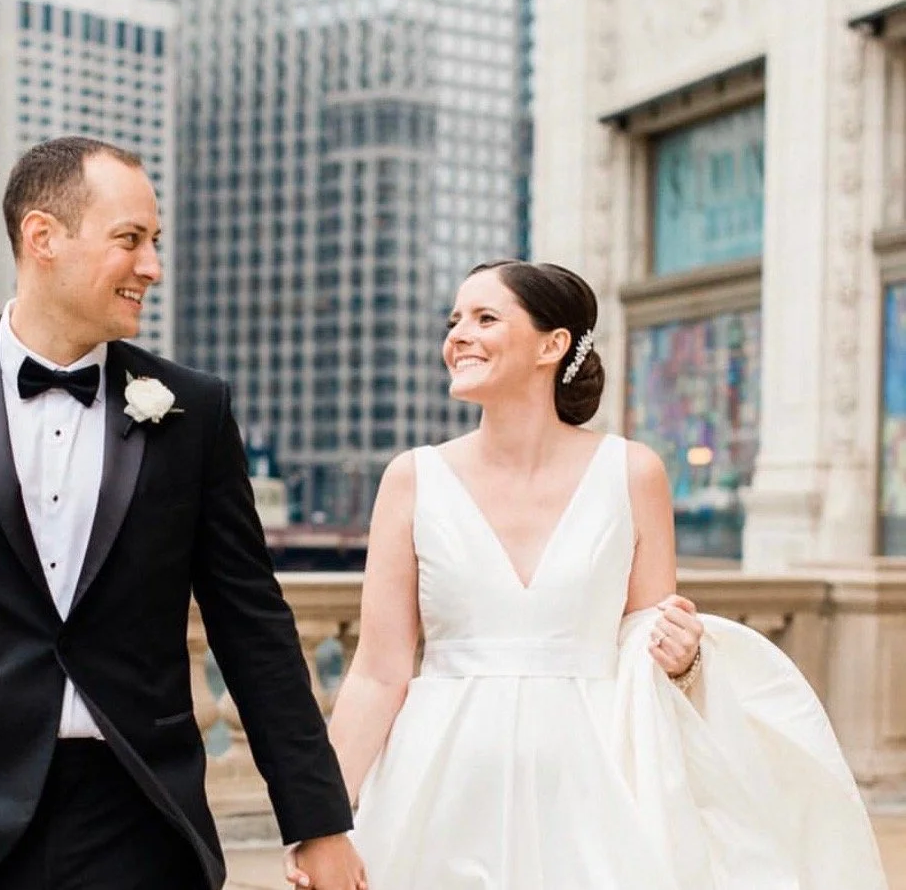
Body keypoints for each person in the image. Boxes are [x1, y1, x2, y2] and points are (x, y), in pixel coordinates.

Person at [0, 137, 366, 890]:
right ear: (43, 237)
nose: (153, 266)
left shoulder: (194, 410)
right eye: (131, 240)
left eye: (155, 242)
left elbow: (253, 626)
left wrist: (317, 818)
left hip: (142, 816)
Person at [289, 259, 886, 890]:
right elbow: (378, 674)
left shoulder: (632, 472)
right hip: (439, 781)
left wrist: (682, 657)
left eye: (485, 318)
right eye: (454, 319)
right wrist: (319, 821)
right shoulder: (413, 479)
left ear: (554, 344)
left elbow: (645, 640)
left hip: (597, 783)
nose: (457, 335)